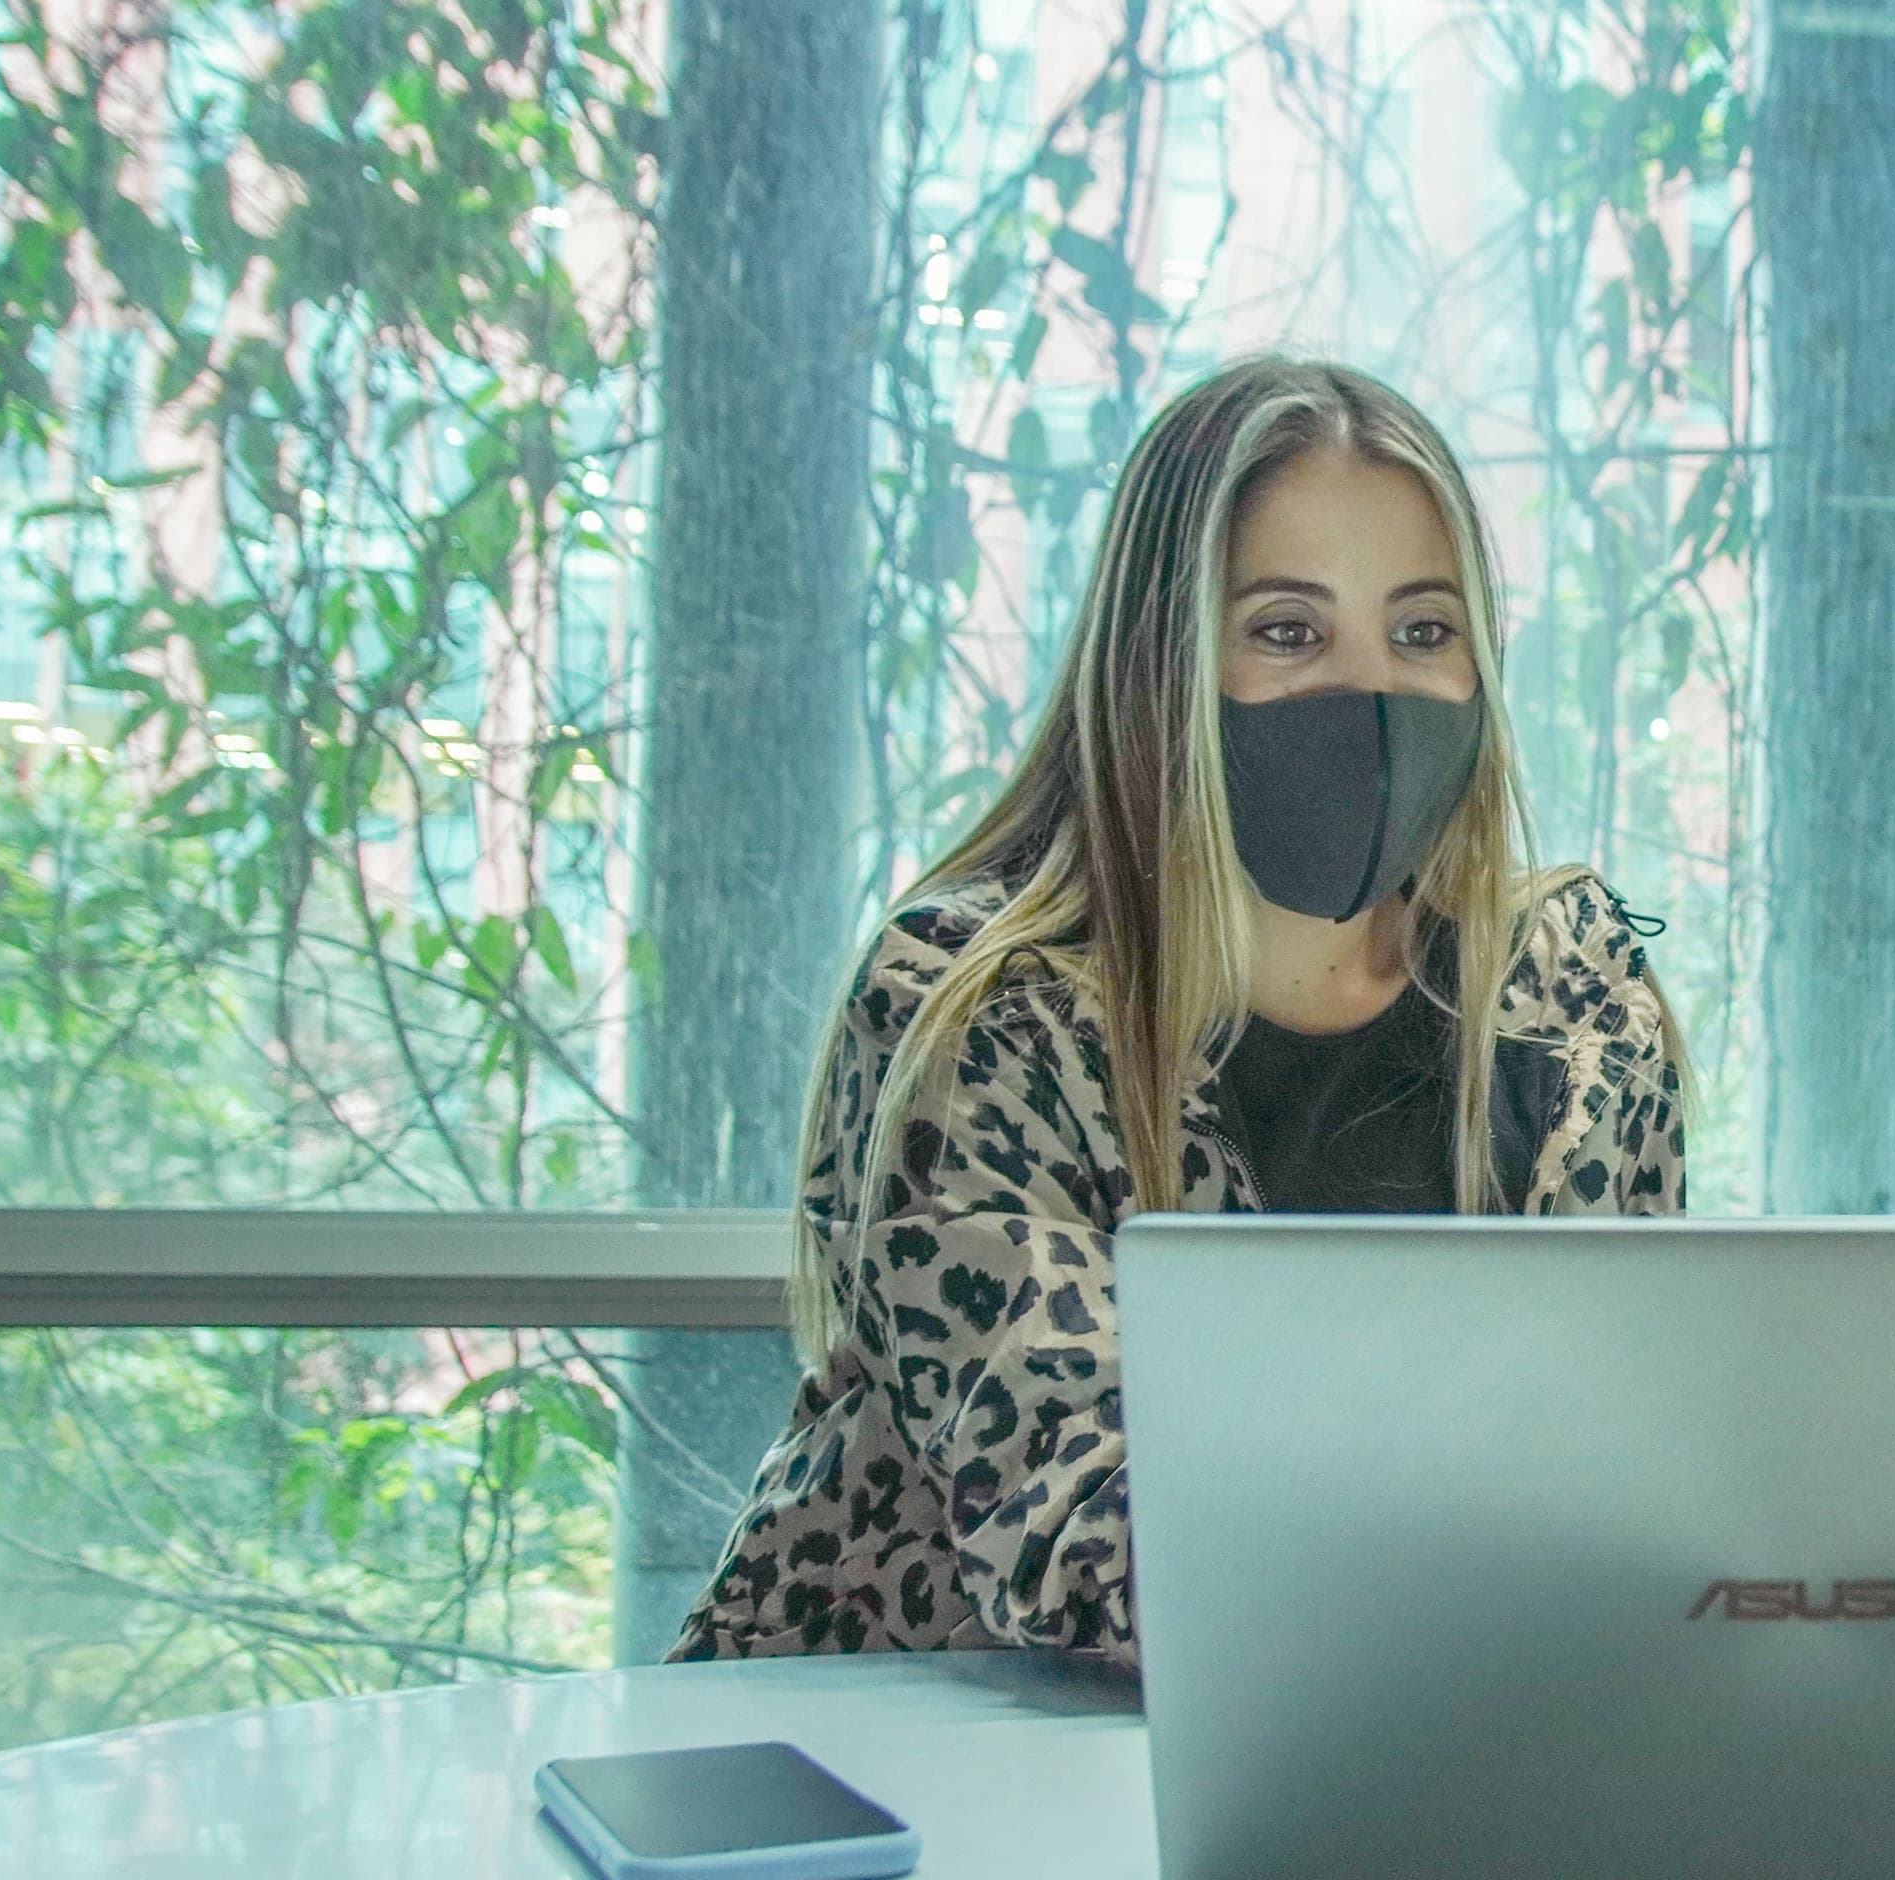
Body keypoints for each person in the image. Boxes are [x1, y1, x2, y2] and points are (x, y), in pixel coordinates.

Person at [673, 356, 1684, 1663]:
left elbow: (1634, 1456)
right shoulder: (972, 1003)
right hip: (914, 1775)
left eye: (1423, 632)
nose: (1368, 693)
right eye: (1286, 630)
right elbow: (1086, 1541)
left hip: (1417, 1747)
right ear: (1164, 660)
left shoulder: (1573, 994)